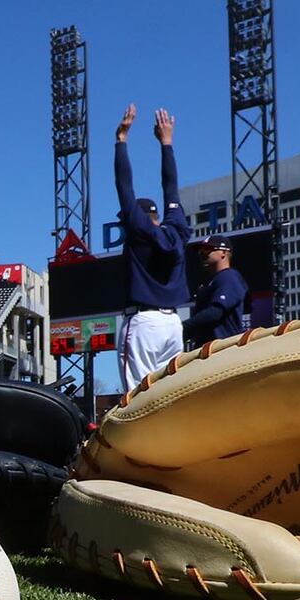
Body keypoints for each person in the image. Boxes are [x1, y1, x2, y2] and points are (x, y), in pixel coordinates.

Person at [114, 106, 191, 391]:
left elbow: (124, 187)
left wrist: (121, 141)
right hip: (173, 324)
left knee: (137, 399)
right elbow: (171, 188)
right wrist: (166, 143)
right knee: (170, 395)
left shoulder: (138, 230)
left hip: (143, 323)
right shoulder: (177, 230)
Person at [183, 235, 250, 349]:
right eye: (200, 251)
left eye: (207, 249)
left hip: (223, 348)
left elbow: (216, 312)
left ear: (223, 253)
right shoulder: (211, 281)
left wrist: (184, 326)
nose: (202, 254)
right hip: (208, 349)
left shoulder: (229, 276)